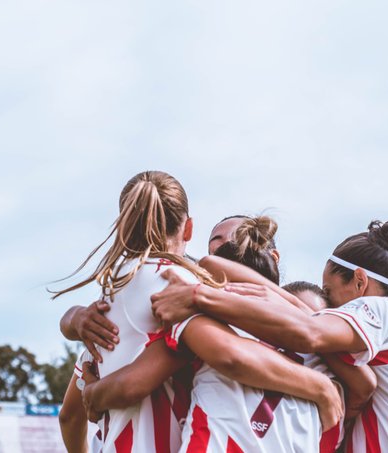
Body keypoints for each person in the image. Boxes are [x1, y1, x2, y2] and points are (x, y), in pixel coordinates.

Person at [54, 171, 342, 452]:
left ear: (123, 226)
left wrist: (72, 321)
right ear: (188, 228)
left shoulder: (103, 307)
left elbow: (70, 416)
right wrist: (319, 387)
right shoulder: (178, 285)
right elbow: (230, 355)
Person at [151, 219, 388, 452]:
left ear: (360, 284)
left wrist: (200, 296)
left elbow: (309, 332)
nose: (327, 304)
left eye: (329, 291)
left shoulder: (380, 310)